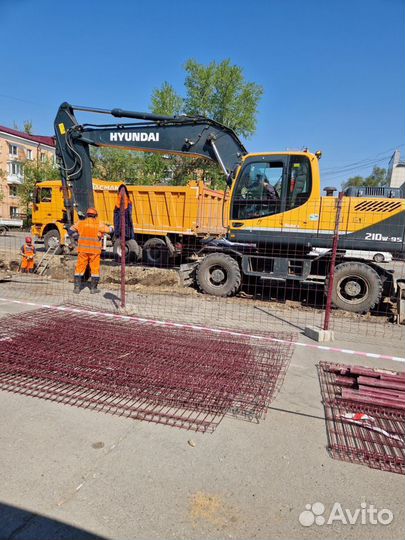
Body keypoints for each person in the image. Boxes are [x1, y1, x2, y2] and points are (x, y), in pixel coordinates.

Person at [69, 208, 111, 294]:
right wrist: (112, 227)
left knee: (80, 267)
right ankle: (93, 288)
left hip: (82, 250)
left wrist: (76, 236)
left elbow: (70, 230)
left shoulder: (80, 223)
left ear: (87, 215)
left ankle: (77, 288)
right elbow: (110, 230)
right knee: (95, 269)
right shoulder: (99, 224)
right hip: (94, 251)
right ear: (95, 216)